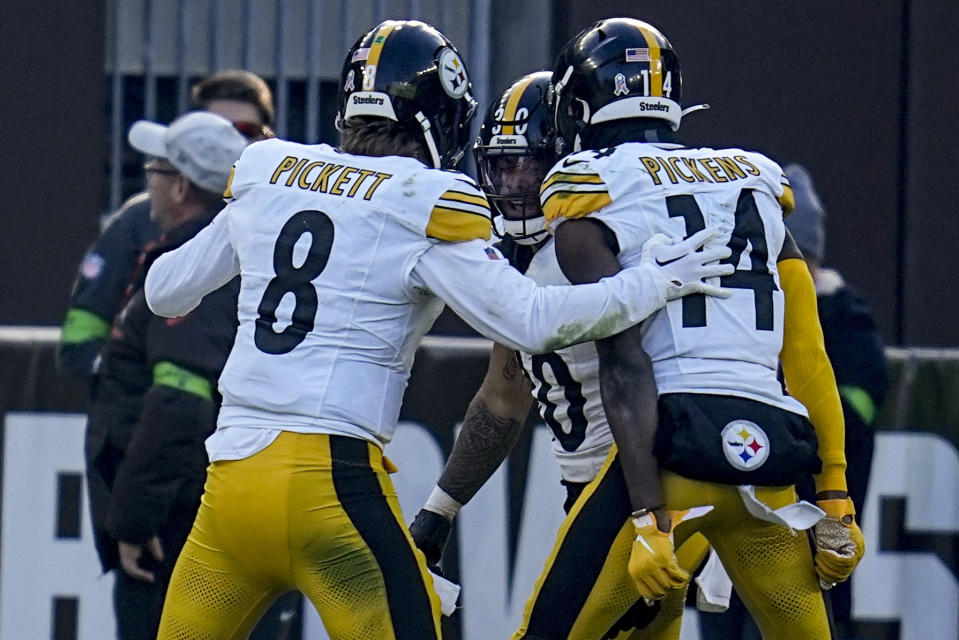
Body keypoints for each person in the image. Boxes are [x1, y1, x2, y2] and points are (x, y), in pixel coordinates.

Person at [142, 20, 731, 639]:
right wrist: (650, 282)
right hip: (330, 489)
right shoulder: (424, 199)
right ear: (438, 118)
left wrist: (251, 221)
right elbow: (531, 321)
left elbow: (164, 291)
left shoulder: (270, 170)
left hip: (230, 488)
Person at [463, 18, 863, 640]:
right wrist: (835, 497)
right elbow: (808, 353)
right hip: (769, 455)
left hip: (669, 452)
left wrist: (650, 519)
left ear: (576, 104)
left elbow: (626, 367)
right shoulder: (753, 179)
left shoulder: (584, 187)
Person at [409, 71, 720, 639]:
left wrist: (646, 516)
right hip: (600, 493)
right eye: (502, 164)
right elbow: (504, 396)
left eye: (530, 163)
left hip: (635, 487)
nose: (513, 181)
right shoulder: (521, 256)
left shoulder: (592, 239)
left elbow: (638, 370)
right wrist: (439, 509)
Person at [699, 163, 888, 640]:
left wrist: (781, 423)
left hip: (811, 535)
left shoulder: (847, 323)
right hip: (733, 533)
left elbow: (852, 415)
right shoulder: (734, 313)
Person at [85, 111, 248, 640]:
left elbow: (181, 402)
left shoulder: (192, 267)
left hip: (171, 528)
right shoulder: (213, 256)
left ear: (179, 185)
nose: (146, 181)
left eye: (154, 169)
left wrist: (133, 521)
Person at [57, 69, 275, 383]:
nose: (229, 142)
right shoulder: (139, 220)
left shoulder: (282, 221)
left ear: (268, 136)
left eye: (244, 130)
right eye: (215, 130)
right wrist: (126, 383)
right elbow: (80, 342)